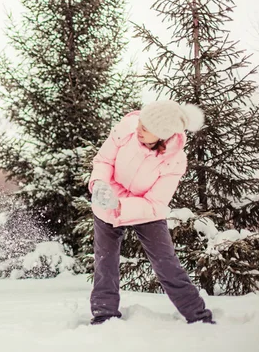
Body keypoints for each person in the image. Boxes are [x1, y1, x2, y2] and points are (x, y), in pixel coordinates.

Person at [89, 100, 214, 325]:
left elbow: (156, 203)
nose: (139, 129)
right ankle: (104, 314)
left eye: (145, 129)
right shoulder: (128, 128)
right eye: (140, 123)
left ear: (162, 135)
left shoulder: (175, 160)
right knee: (105, 261)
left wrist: (122, 206)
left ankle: (198, 316)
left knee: (166, 263)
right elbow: (104, 160)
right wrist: (99, 183)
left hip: (145, 209)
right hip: (108, 199)